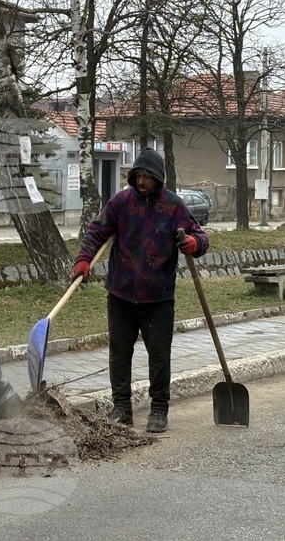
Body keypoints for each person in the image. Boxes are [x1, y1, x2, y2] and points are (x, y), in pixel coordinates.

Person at [71, 147, 208, 433]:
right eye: (139, 176)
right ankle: (121, 408)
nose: (143, 182)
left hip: (157, 296)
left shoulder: (173, 206)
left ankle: (159, 409)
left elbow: (200, 236)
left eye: (148, 177)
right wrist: (84, 259)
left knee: (159, 354)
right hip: (121, 292)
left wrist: (193, 244)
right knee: (119, 353)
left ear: (159, 177)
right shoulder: (121, 202)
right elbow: (96, 231)